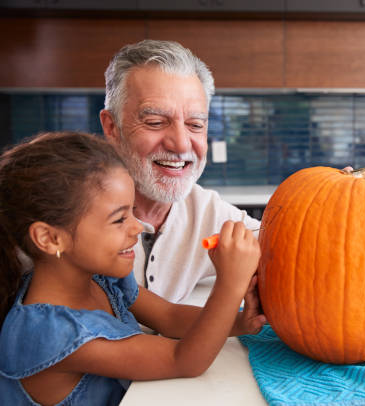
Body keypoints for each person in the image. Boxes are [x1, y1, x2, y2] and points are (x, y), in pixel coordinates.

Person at [0, 131, 262, 405]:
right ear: (49, 238)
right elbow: (183, 360)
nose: (137, 226)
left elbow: (169, 316)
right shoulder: (49, 333)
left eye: (132, 211)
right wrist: (230, 285)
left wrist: (236, 322)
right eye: (118, 219)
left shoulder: (100, 278)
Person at [99, 40, 262, 304]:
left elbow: (294, 244)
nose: (182, 144)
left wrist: (344, 192)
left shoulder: (208, 212)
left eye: (195, 124)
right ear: (111, 127)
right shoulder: (73, 212)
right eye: (155, 122)